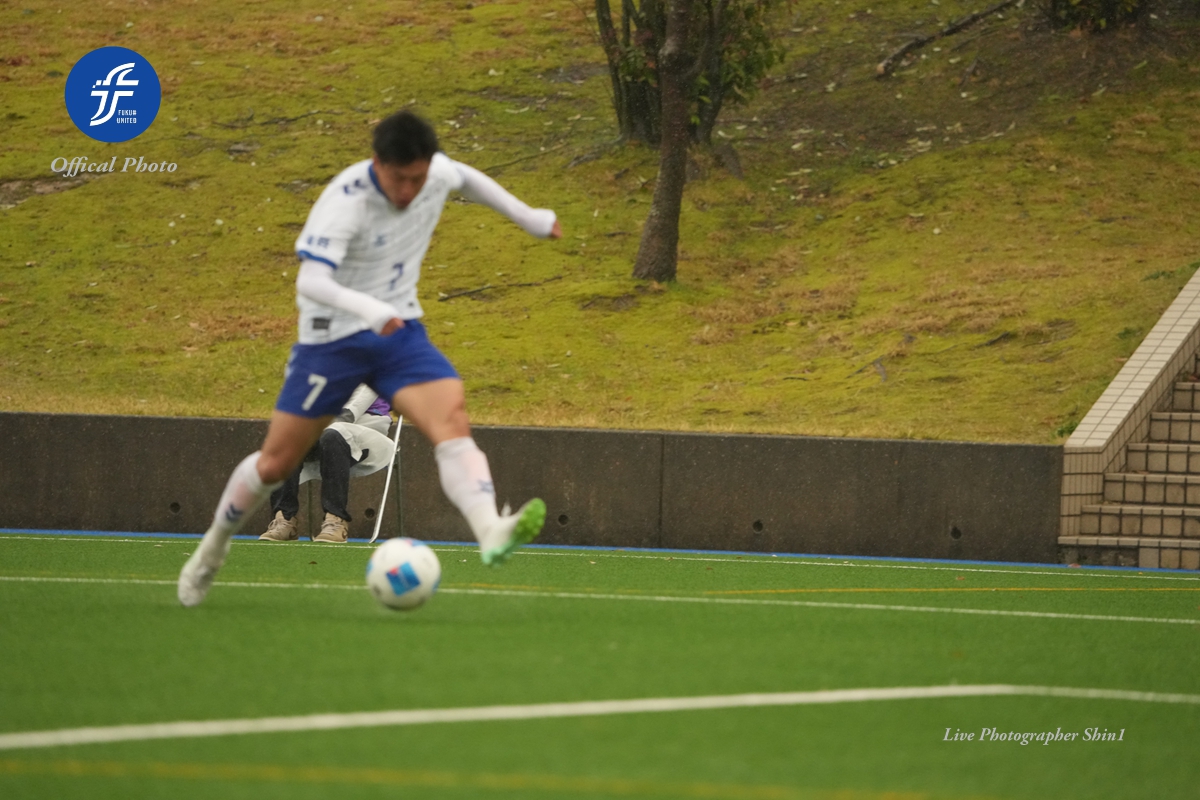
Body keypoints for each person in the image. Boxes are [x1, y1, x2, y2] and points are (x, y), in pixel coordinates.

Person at [178, 110, 561, 607]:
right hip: (332, 341)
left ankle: (490, 528)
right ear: (377, 163)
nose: (409, 190)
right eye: (399, 179)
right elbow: (311, 281)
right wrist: (370, 309)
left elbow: (466, 178)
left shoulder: (434, 174)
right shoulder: (345, 200)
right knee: (276, 462)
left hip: (398, 332)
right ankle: (211, 550)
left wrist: (528, 217)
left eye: (418, 179)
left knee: (450, 414)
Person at [259, 384, 395, 544]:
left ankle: (336, 520)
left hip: (367, 430)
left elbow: (357, 403)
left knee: (333, 435)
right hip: (323, 427)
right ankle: (284, 519)